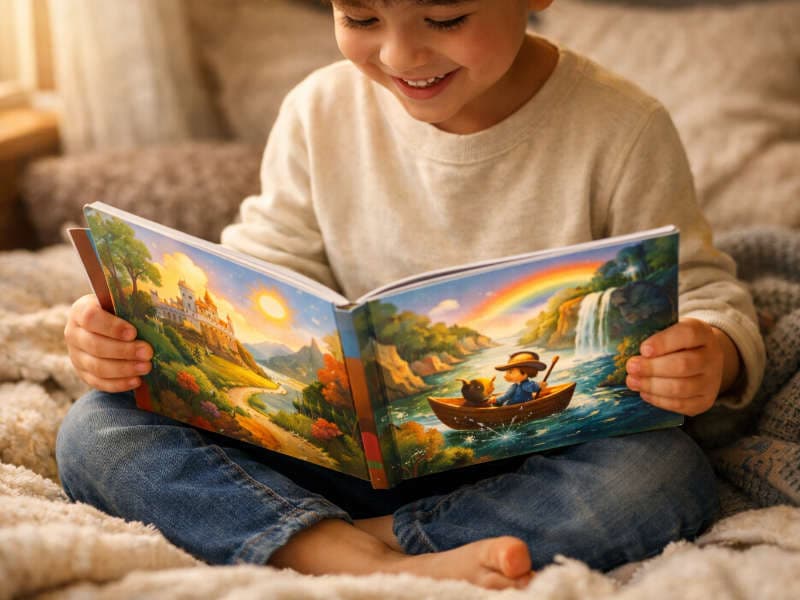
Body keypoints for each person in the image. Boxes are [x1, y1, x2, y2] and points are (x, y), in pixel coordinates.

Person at [57, 0, 766, 591]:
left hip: (527, 468)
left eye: (445, 16)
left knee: (663, 478)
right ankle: (358, 554)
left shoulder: (623, 130)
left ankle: (338, 543)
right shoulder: (318, 110)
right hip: (333, 454)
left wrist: (714, 352)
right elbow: (257, 269)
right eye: (360, 15)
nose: (400, 54)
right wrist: (125, 326)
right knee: (98, 429)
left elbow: (702, 291)